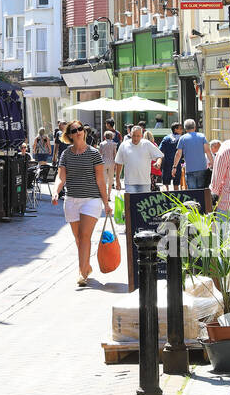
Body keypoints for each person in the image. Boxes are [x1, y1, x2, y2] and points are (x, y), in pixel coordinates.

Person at [52, 121, 112, 286]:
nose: (78, 132)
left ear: (84, 132)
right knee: (79, 239)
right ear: (69, 135)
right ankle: (86, 266)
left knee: (85, 236)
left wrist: (106, 203)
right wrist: (56, 191)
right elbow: (61, 176)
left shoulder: (94, 153)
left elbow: (101, 180)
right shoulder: (66, 154)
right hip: (71, 200)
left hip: (91, 200)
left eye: (80, 129)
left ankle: (82, 272)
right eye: (74, 130)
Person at [115, 124, 162, 194]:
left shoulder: (147, 144)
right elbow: (119, 163)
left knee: (143, 203)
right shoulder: (124, 145)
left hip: (145, 182)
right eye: (134, 135)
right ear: (130, 134)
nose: (136, 138)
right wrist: (117, 180)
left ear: (142, 136)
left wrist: (158, 163)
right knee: (131, 204)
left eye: (138, 136)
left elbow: (159, 156)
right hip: (129, 182)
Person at [176, 119, 212, 191]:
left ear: (185, 129)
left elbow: (178, 154)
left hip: (190, 169)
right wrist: (212, 162)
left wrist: (174, 166)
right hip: (202, 168)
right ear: (195, 127)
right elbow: (207, 151)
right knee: (202, 191)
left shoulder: (182, 138)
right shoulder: (202, 136)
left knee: (192, 192)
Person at [159, 122, 183, 189]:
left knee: (165, 183)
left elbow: (160, 150)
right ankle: (176, 198)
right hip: (177, 164)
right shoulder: (182, 139)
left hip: (167, 163)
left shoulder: (166, 138)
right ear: (175, 129)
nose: (182, 130)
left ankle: (166, 198)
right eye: (180, 129)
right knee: (176, 184)